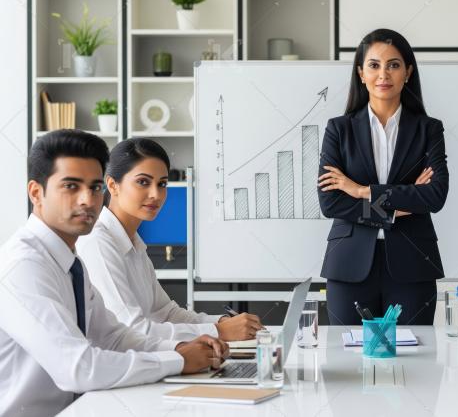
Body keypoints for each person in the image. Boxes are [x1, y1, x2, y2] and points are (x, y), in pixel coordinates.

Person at [0, 130, 228, 416]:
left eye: (95, 188)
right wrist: (177, 360)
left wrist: (184, 347)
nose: (87, 199)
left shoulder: (69, 262)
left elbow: (114, 338)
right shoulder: (24, 266)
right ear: (36, 192)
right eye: (71, 186)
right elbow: (78, 368)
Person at [318, 28, 449, 325]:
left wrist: (363, 190)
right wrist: (399, 206)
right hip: (348, 264)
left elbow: (435, 195)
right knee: (346, 364)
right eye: (374, 65)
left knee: (414, 362)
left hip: (413, 264)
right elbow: (331, 203)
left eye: (394, 65)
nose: (383, 74)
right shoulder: (339, 129)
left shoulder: (429, 129)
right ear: (361, 73)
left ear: (408, 72)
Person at [77, 138, 263, 342]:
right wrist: (219, 332)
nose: (156, 194)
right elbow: (132, 329)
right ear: (113, 185)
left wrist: (220, 322)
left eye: (162, 184)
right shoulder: (98, 242)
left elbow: (166, 313)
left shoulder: (134, 243)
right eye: (143, 182)